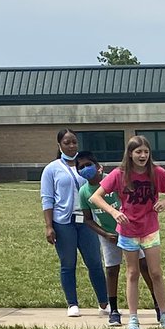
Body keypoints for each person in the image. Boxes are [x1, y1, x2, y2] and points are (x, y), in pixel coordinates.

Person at [93, 135, 165, 329]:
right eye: (138, 152)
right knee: (132, 273)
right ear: (130, 153)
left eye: (145, 151)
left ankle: (164, 315)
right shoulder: (120, 174)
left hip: (150, 229)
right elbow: (96, 196)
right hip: (128, 231)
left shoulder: (157, 173)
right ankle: (133, 319)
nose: (142, 155)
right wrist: (114, 212)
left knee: (156, 272)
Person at [40, 129, 109, 318]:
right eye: (67, 143)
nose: (71, 146)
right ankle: (72, 303)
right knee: (68, 263)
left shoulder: (87, 164)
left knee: (95, 262)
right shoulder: (52, 169)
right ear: (59, 145)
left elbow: (106, 184)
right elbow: (47, 199)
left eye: (74, 142)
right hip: (64, 222)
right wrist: (49, 226)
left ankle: (104, 302)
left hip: (87, 221)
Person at [82, 161, 157, 327]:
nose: (85, 169)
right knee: (112, 270)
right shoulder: (84, 191)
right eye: (80, 167)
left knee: (143, 266)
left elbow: (130, 203)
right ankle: (114, 310)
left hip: (130, 231)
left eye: (88, 165)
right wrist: (106, 234)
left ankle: (158, 304)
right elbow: (87, 219)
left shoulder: (115, 180)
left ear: (99, 167)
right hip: (108, 235)